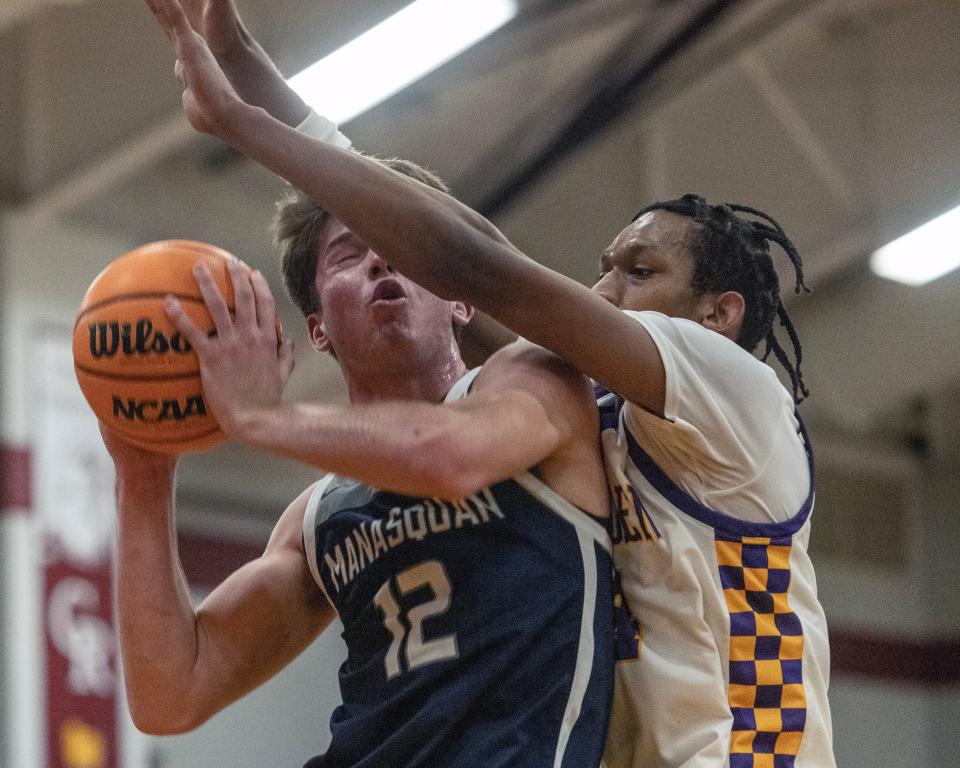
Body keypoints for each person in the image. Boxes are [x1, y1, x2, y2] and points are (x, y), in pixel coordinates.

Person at [143, 1, 838, 766]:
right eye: (602, 268)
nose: (602, 292)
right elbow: (450, 248)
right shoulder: (595, 403)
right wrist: (246, 68)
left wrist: (244, 127)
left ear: (719, 312)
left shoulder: (732, 391)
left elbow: (475, 265)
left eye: (638, 272)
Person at [108, 84, 615, 768]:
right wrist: (143, 470)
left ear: (462, 299)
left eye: (404, 251)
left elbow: (445, 459)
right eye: (349, 253)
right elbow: (171, 691)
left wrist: (262, 417)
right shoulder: (321, 516)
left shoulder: (538, 382)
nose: (381, 259)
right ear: (317, 328)